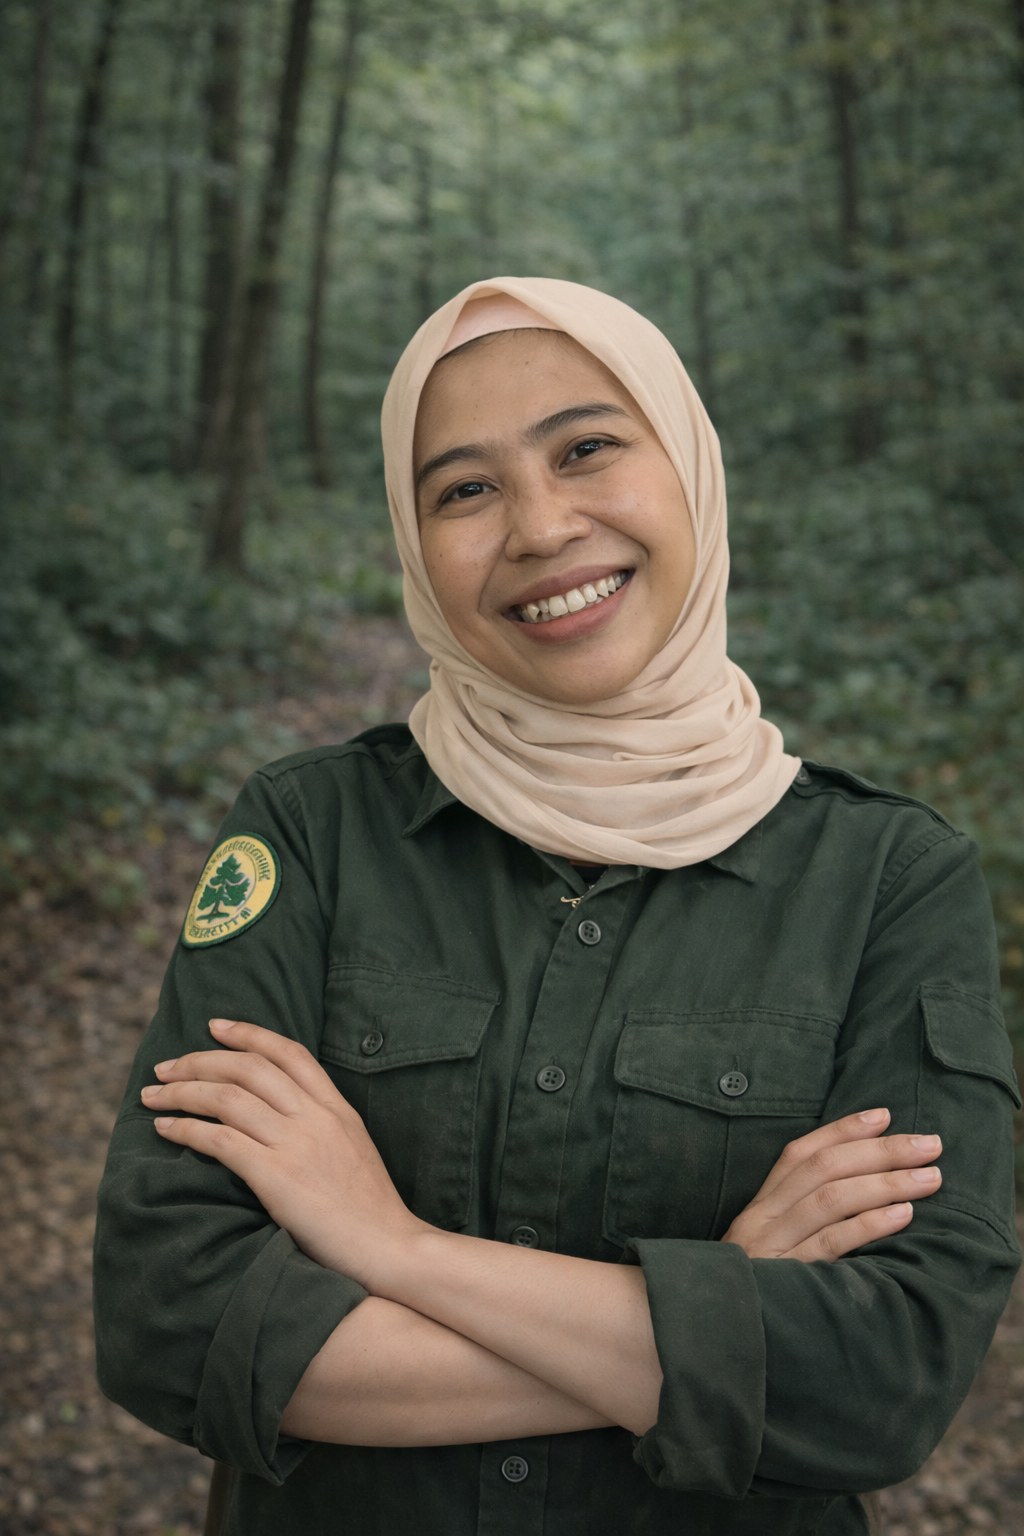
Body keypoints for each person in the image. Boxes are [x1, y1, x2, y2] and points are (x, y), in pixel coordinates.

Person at [93, 279, 1020, 1536]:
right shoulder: (310, 833)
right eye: (463, 488)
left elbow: (880, 1384)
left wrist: (389, 1246)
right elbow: (171, 1319)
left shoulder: (887, 881)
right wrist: (721, 1318)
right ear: (413, 540)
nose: (537, 526)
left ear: (689, 465)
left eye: (587, 447)